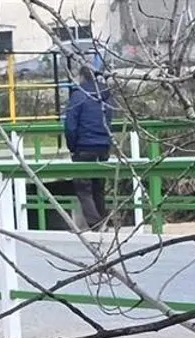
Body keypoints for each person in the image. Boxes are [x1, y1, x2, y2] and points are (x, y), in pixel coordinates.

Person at [62, 64, 115, 231]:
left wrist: (72, 146)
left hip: (84, 147)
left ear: (81, 77)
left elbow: (70, 126)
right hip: (103, 145)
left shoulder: (79, 95)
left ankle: (96, 224)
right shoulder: (105, 95)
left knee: (83, 188)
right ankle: (102, 222)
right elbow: (110, 118)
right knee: (98, 186)